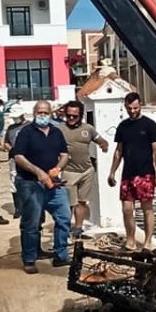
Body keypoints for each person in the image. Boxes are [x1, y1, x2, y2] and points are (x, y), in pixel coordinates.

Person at [10, 100, 72, 274]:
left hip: (54, 183)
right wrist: (39, 172)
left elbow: (65, 154)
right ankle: (30, 258)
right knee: (32, 221)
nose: (43, 115)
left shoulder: (56, 132)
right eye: (40, 112)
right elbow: (18, 157)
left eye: (46, 112)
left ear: (51, 113)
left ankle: (60, 255)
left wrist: (58, 167)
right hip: (30, 183)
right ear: (34, 112)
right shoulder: (26, 132)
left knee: (64, 216)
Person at [108, 92, 156, 251]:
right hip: (127, 173)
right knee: (126, 209)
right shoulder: (123, 126)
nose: (133, 111)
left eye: (135, 108)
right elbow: (119, 151)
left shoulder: (149, 125)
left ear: (140, 106)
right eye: (129, 108)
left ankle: (148, 241)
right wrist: (112, 172)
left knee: (147, 208)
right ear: (125, 107)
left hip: (146, 173)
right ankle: (130, 241)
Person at [59, 100, 108, 239]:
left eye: (75, 116)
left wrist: (104, 146)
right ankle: (64, 228)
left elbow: (101, 140)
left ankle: (78, 228)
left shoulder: (88, 129)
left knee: (82, 202)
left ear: (81, 115)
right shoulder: (59, 129)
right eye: (69, 115)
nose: (71, 118)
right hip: (68, 171)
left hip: (86, 171)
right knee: (67, 204)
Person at [3, 107, 28, 219]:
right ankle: (18, 208)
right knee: (14, 181)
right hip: (14, 158)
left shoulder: (29, 126)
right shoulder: (11, 128)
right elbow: (6, 143)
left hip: (28, 158)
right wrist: (11, 149)